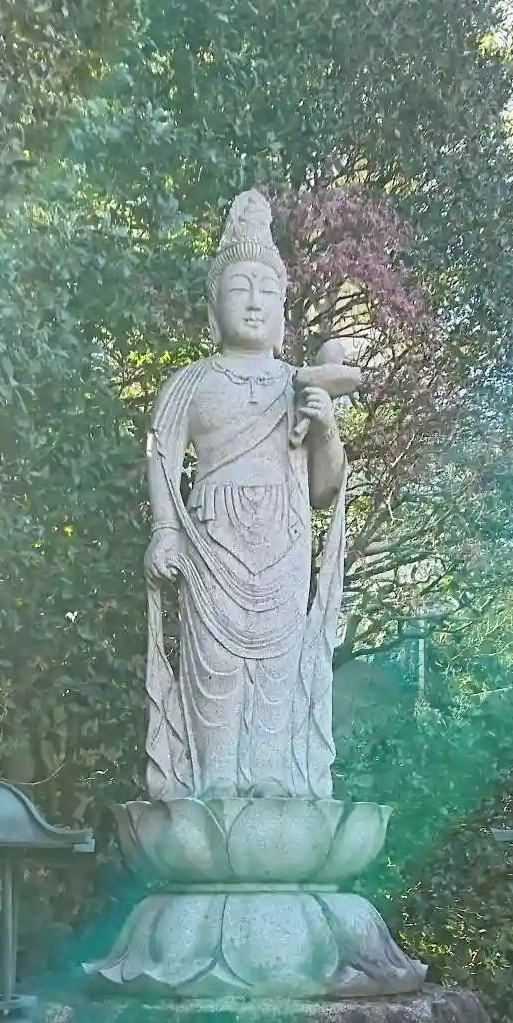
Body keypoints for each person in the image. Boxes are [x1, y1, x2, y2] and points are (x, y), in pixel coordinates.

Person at [143, 190, 347, 801]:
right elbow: (160, 455)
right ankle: (217, 778)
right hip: (212, 538)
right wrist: (164, 530)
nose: (255, 301)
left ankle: (271, 776)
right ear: (213, 310)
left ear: (283, 311)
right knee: (214, 663)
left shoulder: (296, 385)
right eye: (240, 288)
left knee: (278, 663)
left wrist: (327, 427)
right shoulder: (191, 384)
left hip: (284, 537)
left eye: (267, 290)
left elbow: (325, 489)